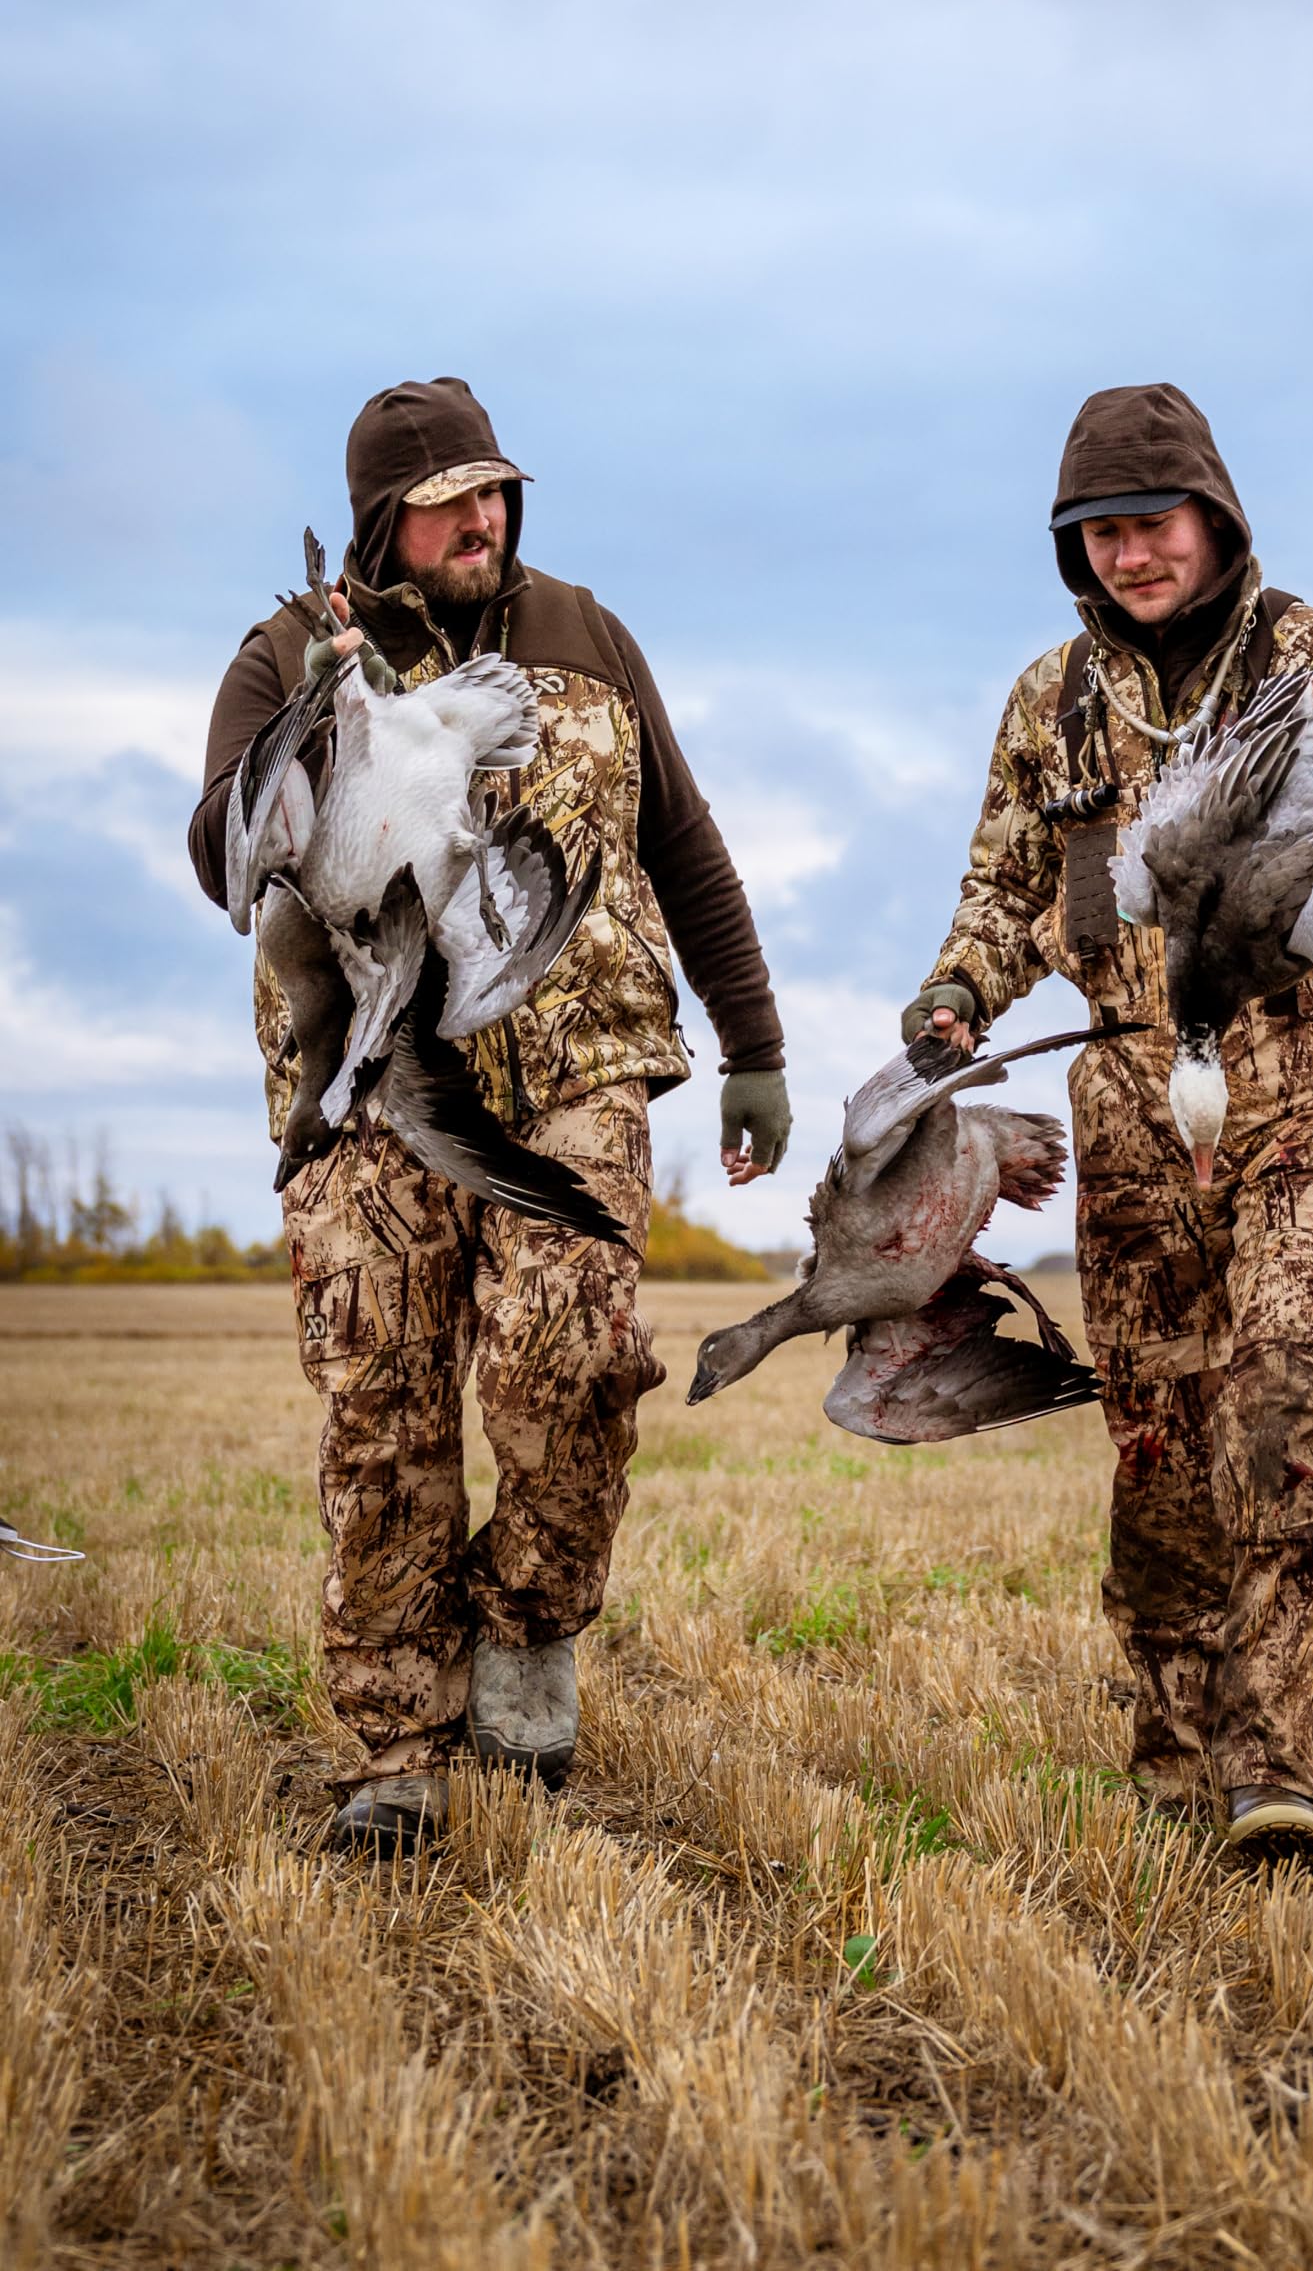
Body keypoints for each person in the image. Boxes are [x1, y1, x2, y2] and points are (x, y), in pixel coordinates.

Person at [189, 376, 791, 1852]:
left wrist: (754, 1044)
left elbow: (684, 842)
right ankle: (399, 1742)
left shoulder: (588, 637)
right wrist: (308, 730)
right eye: (447, 501)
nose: (483, 518)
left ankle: (526, 1631)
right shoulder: (286, 649)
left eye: (494, 490)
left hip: (578, 1072)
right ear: (379, 522)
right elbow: (219, 855)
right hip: (369, 1089)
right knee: (380, 1409)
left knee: (574, 1364)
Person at [903, 383, 1313, 1859]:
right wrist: (956, 997)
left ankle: (1272, 1766)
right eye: (1098, 533)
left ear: (1214, 517)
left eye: (1152, 522)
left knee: (1284, 1389)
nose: (1130, 554)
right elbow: (1003, 893)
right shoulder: (1053, 701)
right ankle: (1175, 1762)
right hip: (1127, 1097)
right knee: (1158, 1438)